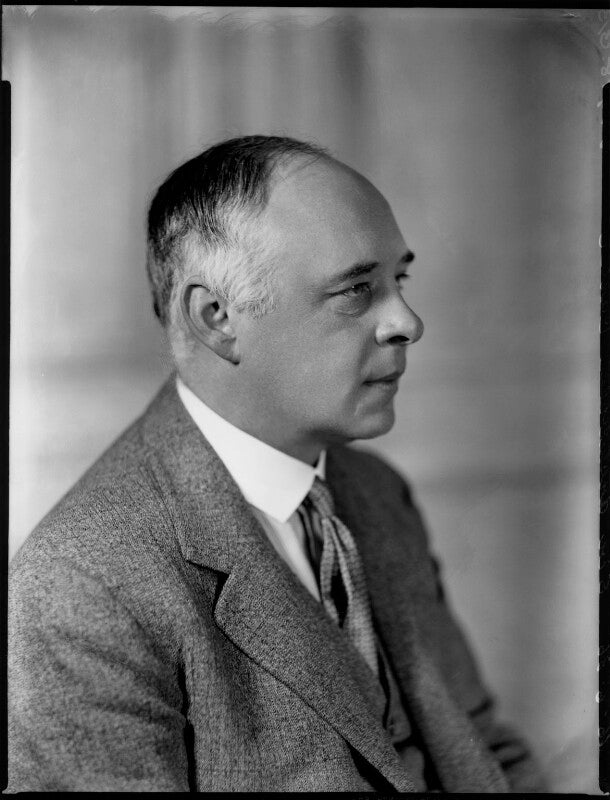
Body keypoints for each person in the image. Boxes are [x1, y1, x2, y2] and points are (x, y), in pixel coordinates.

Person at [6, 135, 547, 792]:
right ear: (216, 318)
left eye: (397, 281)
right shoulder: (82, 588)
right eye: (356, 289)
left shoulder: (377, 493)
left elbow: (483, 748)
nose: (407, 322)